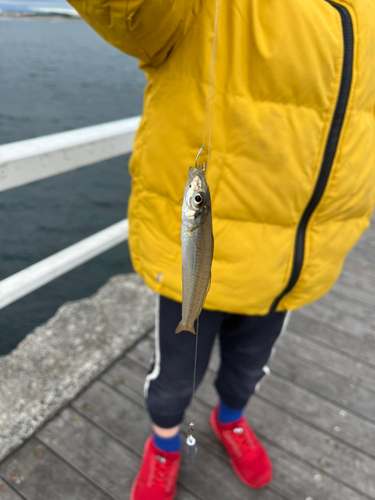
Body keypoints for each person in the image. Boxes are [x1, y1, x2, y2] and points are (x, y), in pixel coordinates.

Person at [69, 1, 375, 499]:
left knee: (250, 366)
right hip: (199, 274)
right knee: (172, 380)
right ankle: (166, 445)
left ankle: (229, 418)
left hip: (293, 267)